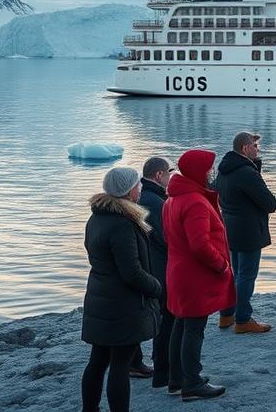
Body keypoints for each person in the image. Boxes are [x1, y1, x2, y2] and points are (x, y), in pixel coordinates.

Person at [81, 167, 161, 412]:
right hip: (123, 304)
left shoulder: (97, 217)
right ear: (128, 191)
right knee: (120, 364)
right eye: (137, 185)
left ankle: (90, 409)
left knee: (98, 360)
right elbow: (132, 273)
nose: (141, 188)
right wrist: (157, 287)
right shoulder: (123, 224)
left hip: (99, 298)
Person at [163, 149, 234, 401]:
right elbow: (200, 244)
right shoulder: (194, 201)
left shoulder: (173, 199)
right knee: (194, 329)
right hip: (195, 276)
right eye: (208, 169)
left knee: (180, 326)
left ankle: (176, 380)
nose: (211, 173)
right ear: (197, 171)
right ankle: (192, 382)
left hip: (178, 272)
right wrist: (222, 265)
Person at [215, 132, 276, 333]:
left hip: (230, 226)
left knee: (233, 273)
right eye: (255, 146)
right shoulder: (247, 173)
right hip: (249, 229)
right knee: (247, 275)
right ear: (245, 148)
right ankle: (243, 319)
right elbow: (269, 203)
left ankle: (226, 315)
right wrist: (255, 172)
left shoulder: (224, 169)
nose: (257, 150)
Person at [129, 157, 174, 386]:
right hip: (159, 267)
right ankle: (161, 367)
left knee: (152, 315)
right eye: (169, 172)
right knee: (165, 317)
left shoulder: (146, 198)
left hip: (149, 265)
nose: (170, 177)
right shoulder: (155, 202)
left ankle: (138, 362)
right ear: (158, 175)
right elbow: (167, 238)